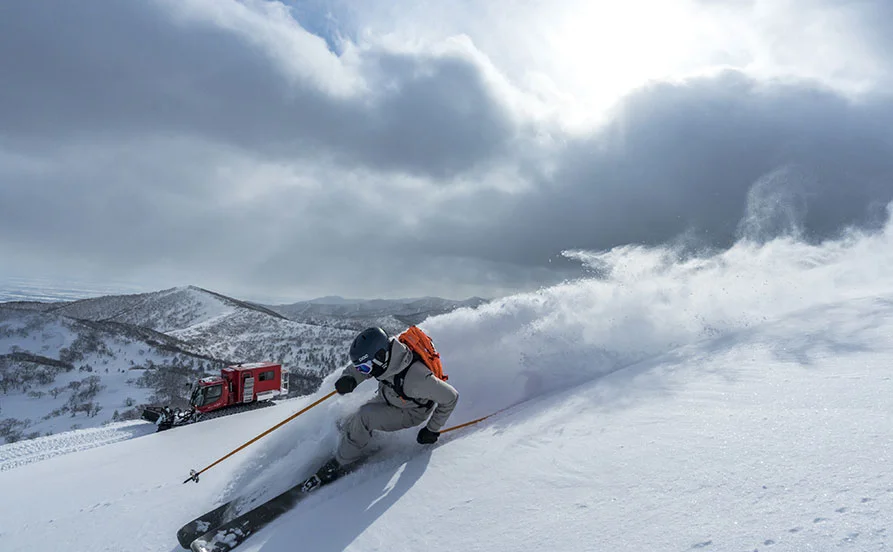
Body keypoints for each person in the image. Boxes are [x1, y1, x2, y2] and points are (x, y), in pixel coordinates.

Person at [317, 327, 459, 478]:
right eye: (361, 368)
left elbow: (451, 397)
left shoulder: (417, 379)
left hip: (411, 412)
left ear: (380, 357)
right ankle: (356, 440)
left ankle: (341, 463)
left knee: (364, 417)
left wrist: (432, 429)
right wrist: (350, 377)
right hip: (391, 395)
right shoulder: (388, 356)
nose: (363, 371)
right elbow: (362, 365)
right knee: (348, 422)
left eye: (364, 368)